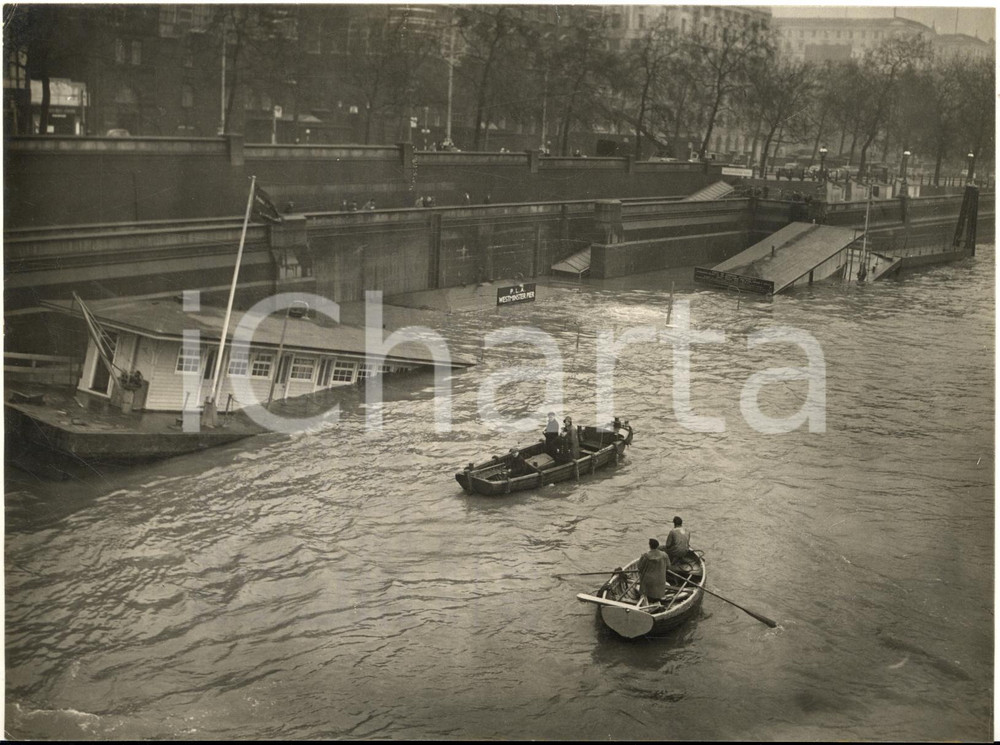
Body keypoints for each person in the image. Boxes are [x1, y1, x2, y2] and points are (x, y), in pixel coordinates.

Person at [636, 538, 670, 603]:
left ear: (650, 546)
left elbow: (639, 567)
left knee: (643, 577)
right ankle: (658, 597)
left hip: (648, 582)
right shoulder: (664, 555)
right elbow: (668, 566)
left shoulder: (645, 555)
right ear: (658, 546)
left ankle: (646, 596)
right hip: (660, 582)